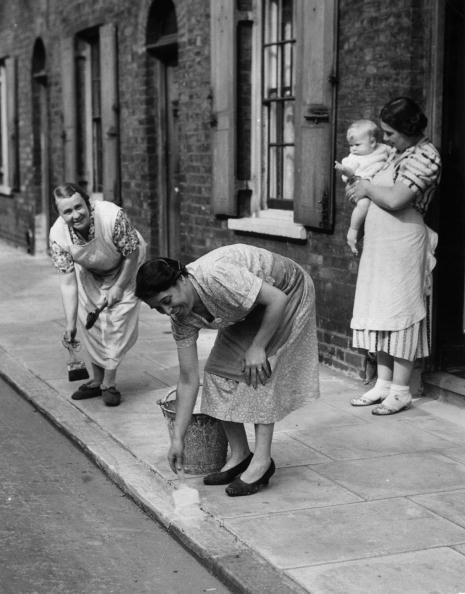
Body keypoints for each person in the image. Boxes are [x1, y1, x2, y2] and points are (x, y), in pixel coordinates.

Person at [135, 244, 319, 496]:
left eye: (167, 301)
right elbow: (188, 379)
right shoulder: (181, 317)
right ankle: (241, 453)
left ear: (181, 280)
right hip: (251, 305)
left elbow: (277, 299)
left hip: (287, 291)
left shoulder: (215, 277)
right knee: (216, 372)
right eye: (158, 308)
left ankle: (262, 463)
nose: (168, 311)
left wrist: (258, 347)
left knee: (258, 370)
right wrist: (178, 437)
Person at [346, 97, 441, 415]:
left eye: (390, 133)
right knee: (379, 308)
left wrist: (366, 189)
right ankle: (383, 384)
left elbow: (399, 198)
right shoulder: (398, 153)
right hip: (381, 243)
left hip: (403, 241)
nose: (385, 139)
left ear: (408, 128)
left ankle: (400, 390)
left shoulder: (426, 155)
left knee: (400, 310)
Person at [49, 183, 146, 407]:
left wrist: (119, 287)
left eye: (78, 207)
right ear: (60, 214)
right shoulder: (57, 234)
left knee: (117, 322)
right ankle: (97, 379)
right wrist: (70, 324)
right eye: (67, 211)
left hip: (127, 264)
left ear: (88, 203)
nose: (75, 215)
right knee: (90, 322)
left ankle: (109, 383)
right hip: (92, 269)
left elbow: (132, 254)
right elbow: (67, 282)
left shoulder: (112, 216)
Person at [335, 119, 391, 255]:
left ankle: (362, 236)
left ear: (372, 142)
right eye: (351, 145)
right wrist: (343, 169)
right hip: (359, 187)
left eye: (357, 144)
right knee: (364, 205)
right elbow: (350, 171)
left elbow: (392, 155)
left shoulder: (383, 149)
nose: (353, 148)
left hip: (375, 187)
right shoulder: (354, 158)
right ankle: (352, 232)